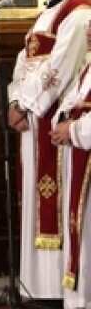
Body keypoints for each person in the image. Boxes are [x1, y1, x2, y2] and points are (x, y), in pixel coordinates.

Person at [8, 0, 91, 300]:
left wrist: (26, 105)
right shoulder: (42, 17)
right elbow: (21, 63)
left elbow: (60, 67)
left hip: (53, 117)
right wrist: (14, 101)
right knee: (36, 197)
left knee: (58, 201)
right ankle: (38, 286)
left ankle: (59, 285)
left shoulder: (78, 13)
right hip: (33, 119)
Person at [50, 21, 91, 305]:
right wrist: (63, 123)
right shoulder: (88, 69)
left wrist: (73, 130)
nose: (88, 31)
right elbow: (69, 103)